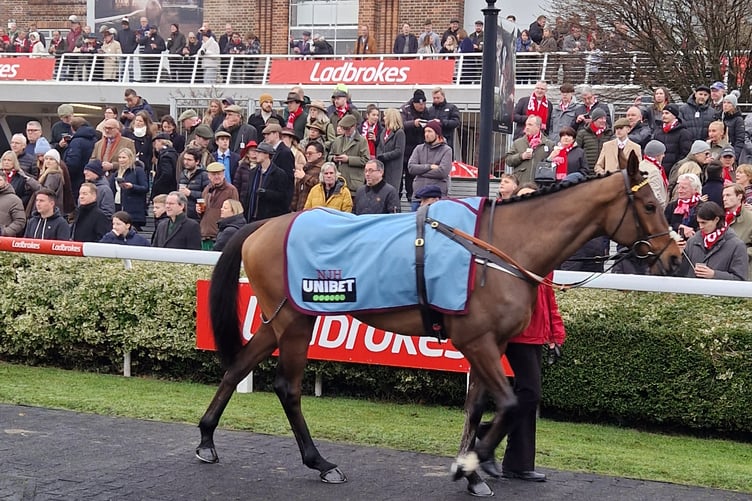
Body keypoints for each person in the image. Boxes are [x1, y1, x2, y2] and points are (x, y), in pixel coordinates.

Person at [492, 269, 565, 483]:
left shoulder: (546, 262)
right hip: (518, 333)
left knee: (527, 395)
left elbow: (548, 297)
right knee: (530, 393)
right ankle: (491, 431)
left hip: (536, 335)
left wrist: (555, 335)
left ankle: (518, 465)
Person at [677, 201, 747, 280]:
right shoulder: (692, 241)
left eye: (704, 223)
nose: (701, 227)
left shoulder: (737, 245)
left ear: (716, 219)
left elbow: (740, 279)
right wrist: (677, 256)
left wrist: (714, 275)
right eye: (699, 223)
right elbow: (679, 274)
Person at [407, 121, 452, 210]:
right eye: (425, 131)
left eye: (430, 131)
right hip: (418, 197)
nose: (426, 134)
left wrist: (420, 172)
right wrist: (429, 167)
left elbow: (442, 172)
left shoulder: (446, 150)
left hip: (436, 198)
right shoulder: (419, 149)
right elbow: (411, 168)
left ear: (437, 134)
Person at [244, 142, 292, 222]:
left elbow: (283, 197)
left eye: (259, 152)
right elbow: (248, 194)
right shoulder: (253, 172)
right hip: (251, 217)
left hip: (269, 218)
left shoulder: (279, 174)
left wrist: (266, 193)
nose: (256, 155)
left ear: (267, 154)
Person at [197, 162, 239, 250]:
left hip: (219, 236)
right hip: (205, 235)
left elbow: (235, 214)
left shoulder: (231, 190)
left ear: (223, 174)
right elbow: (204, 213)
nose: (216, 176)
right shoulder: (207, 189)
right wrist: (199, 211)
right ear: (208, 176)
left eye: (219, 174)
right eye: (213, 174)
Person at [328, 114, 371, 196]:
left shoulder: (362, 141)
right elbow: (329, 156)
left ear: (354, 126)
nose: (345, 131)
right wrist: (334, 158)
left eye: (347, 129)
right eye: (343, 129)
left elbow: (366, 160)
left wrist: (348, 159)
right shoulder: (337, 140)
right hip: (338, 182)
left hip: (353, 183)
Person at [506, 115, 555, 185]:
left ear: (538, 127)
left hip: (540, 186)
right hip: (521, 184)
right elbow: (508, 160)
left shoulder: (549, 144)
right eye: (526, 125)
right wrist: (521, 156)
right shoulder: (518, 142)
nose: (527, 127)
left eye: (530, 125)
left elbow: (552, 166)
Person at [110, 148, 149, 229]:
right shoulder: (115, 174)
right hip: (118, 205)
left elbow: (145, 188)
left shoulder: (138, 171)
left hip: (133, 210)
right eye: (119, 157)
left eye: (124, 157)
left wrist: (132, 186)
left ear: (130, 158)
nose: (121, 160)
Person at [722, 183, 752, 279]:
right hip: (723, 268)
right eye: (723, 196)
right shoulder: (720, 218)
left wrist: (740, 255)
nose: (724, 199)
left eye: (728, 195)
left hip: (745, 269)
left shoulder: (750, 218)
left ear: (739, 197)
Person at [376, 108, 406, 197]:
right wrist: (379, 156)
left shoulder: (399, 133)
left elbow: (399, 151)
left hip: (393, 169)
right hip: (383, 167)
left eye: (385, 116)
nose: (384, 118)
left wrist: (384, 156)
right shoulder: (383, 132)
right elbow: (379, 146)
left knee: (391, 193)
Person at [291, 142, 324, 212]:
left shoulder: (323, 169)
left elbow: (321, 185)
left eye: (310, 153)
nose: (308, 155)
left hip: (313, 210)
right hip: (299, 209)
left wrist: (304, 177)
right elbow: (297, 190)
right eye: (306, 153)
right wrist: (293, 207)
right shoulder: (305, 168)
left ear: (319, 154)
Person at [431, 87, 461, 153]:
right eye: (434, 98)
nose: (436, 100)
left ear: (443, 97)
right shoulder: (430, 110)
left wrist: (442, 122)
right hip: (432, 142)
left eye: (438, 98)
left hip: (447, 141)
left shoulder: (452, 108)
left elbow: (456, 122)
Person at [641, 140, 669, 208]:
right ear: (657, 155)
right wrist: (662, 206)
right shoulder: (654, 171)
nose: (664, 156)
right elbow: (655, 194)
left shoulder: (641, 164)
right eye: (662, 153)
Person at [151, 133, 178, 200]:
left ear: (161, 142)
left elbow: (167, 173)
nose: (154, 146)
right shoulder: (173, 153)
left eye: (156, 143)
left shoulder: (166, 156)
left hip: (165, 191)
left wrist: (157, 185)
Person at [719, 93, 745, 160]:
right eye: (724, 102)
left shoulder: (738, 120)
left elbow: (740, 139)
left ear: (734, 105)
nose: (725, 105)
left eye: (729, 103)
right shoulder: (719, 117)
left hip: (731, 152)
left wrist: (735, 155)